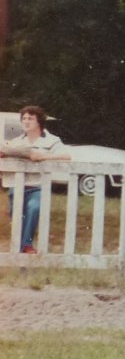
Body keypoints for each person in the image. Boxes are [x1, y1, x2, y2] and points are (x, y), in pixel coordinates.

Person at [1, 105, 71, 253]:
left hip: (38, 186)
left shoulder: (52, 140)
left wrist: (43, 156)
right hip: (17, 187)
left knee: (34, 208)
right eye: (24, 118)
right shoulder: (17, 141)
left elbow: (66, 156)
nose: (26, 121)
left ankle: (26, 245)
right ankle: (22, 252)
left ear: (39, 121)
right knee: (17, 220)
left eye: (30, 118)